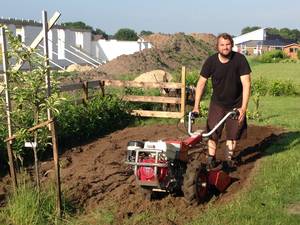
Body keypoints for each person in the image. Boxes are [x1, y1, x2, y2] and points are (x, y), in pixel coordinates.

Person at [193, 33, 251, 169]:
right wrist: (196, 106)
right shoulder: (211, 61)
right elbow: (201, 83)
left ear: (232, 45)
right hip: (217, 103)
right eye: (222, 45)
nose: (225, 47)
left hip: (236, 104)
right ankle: (211, 158)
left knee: (232, 134)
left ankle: (228, 160)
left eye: (228, 44)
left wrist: (243, 108)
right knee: (212, 131)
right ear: (217, 46)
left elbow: (247, 84)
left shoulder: (240, 60)